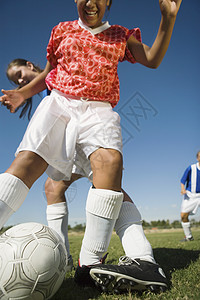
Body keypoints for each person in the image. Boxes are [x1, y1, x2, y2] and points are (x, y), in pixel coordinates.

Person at [0, 0, 182, 294]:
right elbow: (49, 73)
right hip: (58, 104)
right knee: (27, 165)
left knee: (110, 163)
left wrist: (167, 18)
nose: (89, 2)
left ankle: (88, 265)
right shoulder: (62, 30)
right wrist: (23, 93)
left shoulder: (122, 35)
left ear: (108, 2)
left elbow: (152, 58)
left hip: (99, 110)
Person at [180, 151, 200, 242]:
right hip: (190, 195)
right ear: (197, 158)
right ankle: (189, 236)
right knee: (183, 215)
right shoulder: (191, 168)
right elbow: (183, 180)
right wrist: (183, 189)